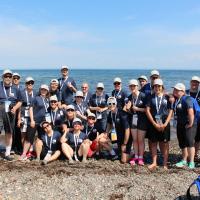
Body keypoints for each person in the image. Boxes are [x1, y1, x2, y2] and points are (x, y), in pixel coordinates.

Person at [146, 79, 173, 170]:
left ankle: (165, 163)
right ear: (153, 87)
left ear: (162, 87)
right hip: (153, 122)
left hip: (164, 122)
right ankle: (154, 162)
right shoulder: (150, 97)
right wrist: (154, 123)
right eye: (155, 86)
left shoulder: (167, 97)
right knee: (153, 143)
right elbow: (147, 111)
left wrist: (165, 123)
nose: (157, 88)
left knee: (164, 143)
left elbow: (171, 111)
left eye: (159, 86)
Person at [173, 83, 197, 169]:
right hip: (180, 124)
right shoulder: (177, 99)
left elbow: (190, 112)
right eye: (174, 89)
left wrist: (190, 123)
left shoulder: (187, 99)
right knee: (182, 142)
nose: (174, 91)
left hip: (189, 124)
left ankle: (191, 162)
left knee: (190, 142)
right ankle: (184, 160)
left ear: (182, 91)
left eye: (177, 90)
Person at [123, 79, 147, 166]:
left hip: (142, 120)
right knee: (135, 140)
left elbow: (147, 110)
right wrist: (128, 108)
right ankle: (136, 156)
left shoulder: (143, 96)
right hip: (133, 120)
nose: (132, 87)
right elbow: (128, 111)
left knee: (140, 140)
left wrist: (138, 109)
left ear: (137, 86)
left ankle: (141, 157)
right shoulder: (129, 97)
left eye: (134, 86)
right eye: (131, 86)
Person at [0, 69, 22, 160]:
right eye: (6, 76)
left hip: (11, 111)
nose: (8, 78)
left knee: (9, 132)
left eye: (10, 76)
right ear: (2, 77)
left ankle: (7, 153)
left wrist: (15, 108)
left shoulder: (16, 89)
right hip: (0, 109)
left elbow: (20, 101)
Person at [106, 97, 131, 163]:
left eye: (113, 103)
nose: (111, 105)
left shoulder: (122, 114)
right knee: (101, 140)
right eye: (110, 103)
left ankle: (132, 152)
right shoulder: (110, 113)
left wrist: (125, 144)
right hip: (116, 135)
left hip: (125, 138)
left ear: (116, 104)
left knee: (123, 160)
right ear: (107, 105)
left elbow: (127, 130)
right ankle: (113, 152)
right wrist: (106, 134)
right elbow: (109, 124)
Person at [18, 77, 37, 160]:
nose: (30, 84)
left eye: (31, 83)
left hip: (32, 116)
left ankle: (29, 151)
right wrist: (19, 118)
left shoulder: (36, 93)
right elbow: (19, 106)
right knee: (23, 134)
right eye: (28, 83)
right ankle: (24, 151)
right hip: (23, 116)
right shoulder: (22, 93)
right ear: (25, 84)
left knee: (31, 135)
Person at [186, 76, 200, 160]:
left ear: (199, 84)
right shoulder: (185, 92)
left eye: (197, 82)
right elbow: (175, 95)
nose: (194, 83)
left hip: (198, 120)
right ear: (190, 82)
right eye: (193, 82)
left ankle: (195, 154)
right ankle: (187, 155)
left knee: (198, 138)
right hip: (187, 119)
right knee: (188, 138)